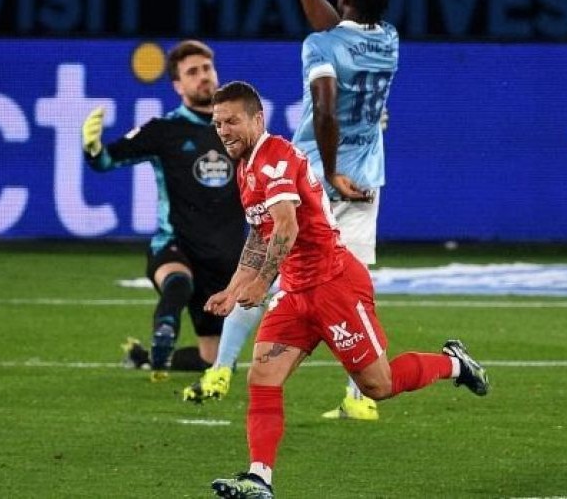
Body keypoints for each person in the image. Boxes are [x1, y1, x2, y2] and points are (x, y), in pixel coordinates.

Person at [206, 80, 489, 498]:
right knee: (263, 377)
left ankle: (454, 364)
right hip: (297, 295)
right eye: (217, 124)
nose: (224, 130)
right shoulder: (246, 166)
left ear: (257, 118)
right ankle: (259, 478)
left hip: (335, 287)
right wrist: (233, 289)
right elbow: (259, 233)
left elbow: (286, 224)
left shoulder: (275, 160)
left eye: (232, 121)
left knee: (378, 385)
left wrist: (263, 282)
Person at [183, 0, 397, 422]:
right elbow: (336, 29)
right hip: (366, 179)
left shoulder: (320, 46)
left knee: (265, 262)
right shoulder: (389, 39)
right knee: (355, 284)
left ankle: (221, 369)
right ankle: (359, 395)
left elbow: (323, 106)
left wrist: (332, 170)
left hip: (314, 174)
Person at [81, 39, 245, 382]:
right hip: (177, 244)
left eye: (207, 69)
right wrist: (93, 149)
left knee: (210, 360)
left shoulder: (241, 129)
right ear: (177, 85)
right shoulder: (164, 130)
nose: (203, 77)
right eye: (192, 72)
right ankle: (164, 333)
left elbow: (288, 163)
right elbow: (107, 160)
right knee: (177, 282)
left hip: (224, 257)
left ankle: (149, 358)